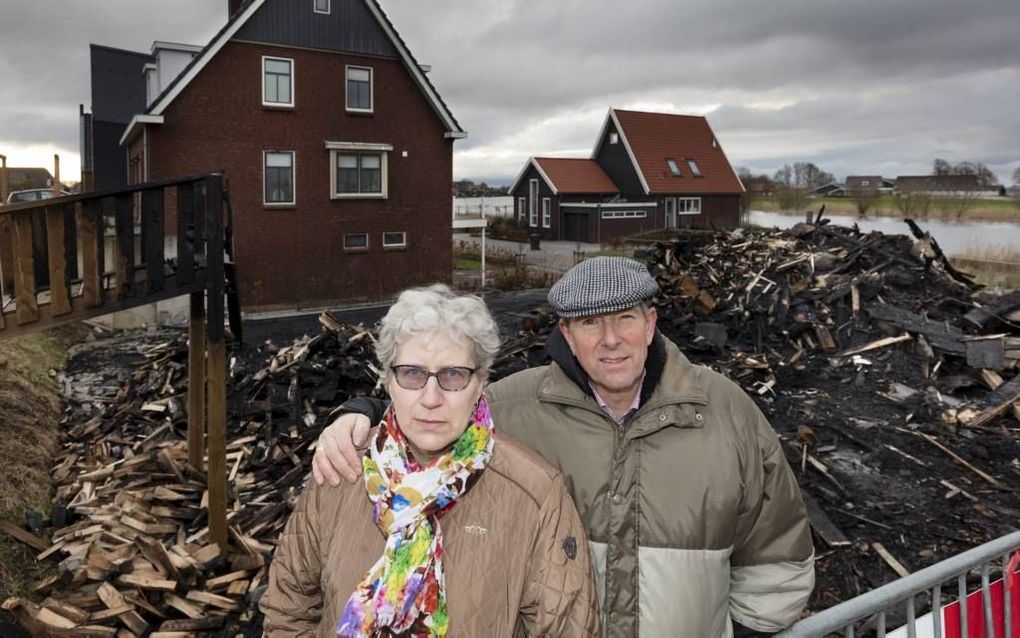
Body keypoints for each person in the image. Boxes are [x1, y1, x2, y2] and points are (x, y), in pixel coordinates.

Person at [314, 258, 815, 637]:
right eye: (591, 323)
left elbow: (774, 544)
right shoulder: (514, 408)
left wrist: (751, 631)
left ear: (652, 321)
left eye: (625, 318)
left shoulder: (725, 411)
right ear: (567, 334)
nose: (611, 339)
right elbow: (434, 404)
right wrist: (358, 412)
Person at [261, 285, 600, 637]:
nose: (431, 398)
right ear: (388, 379)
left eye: (453, 374)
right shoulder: (340, 470)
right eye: (412, 373)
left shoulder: (535, 493)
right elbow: (288, 611)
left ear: (481, 380)